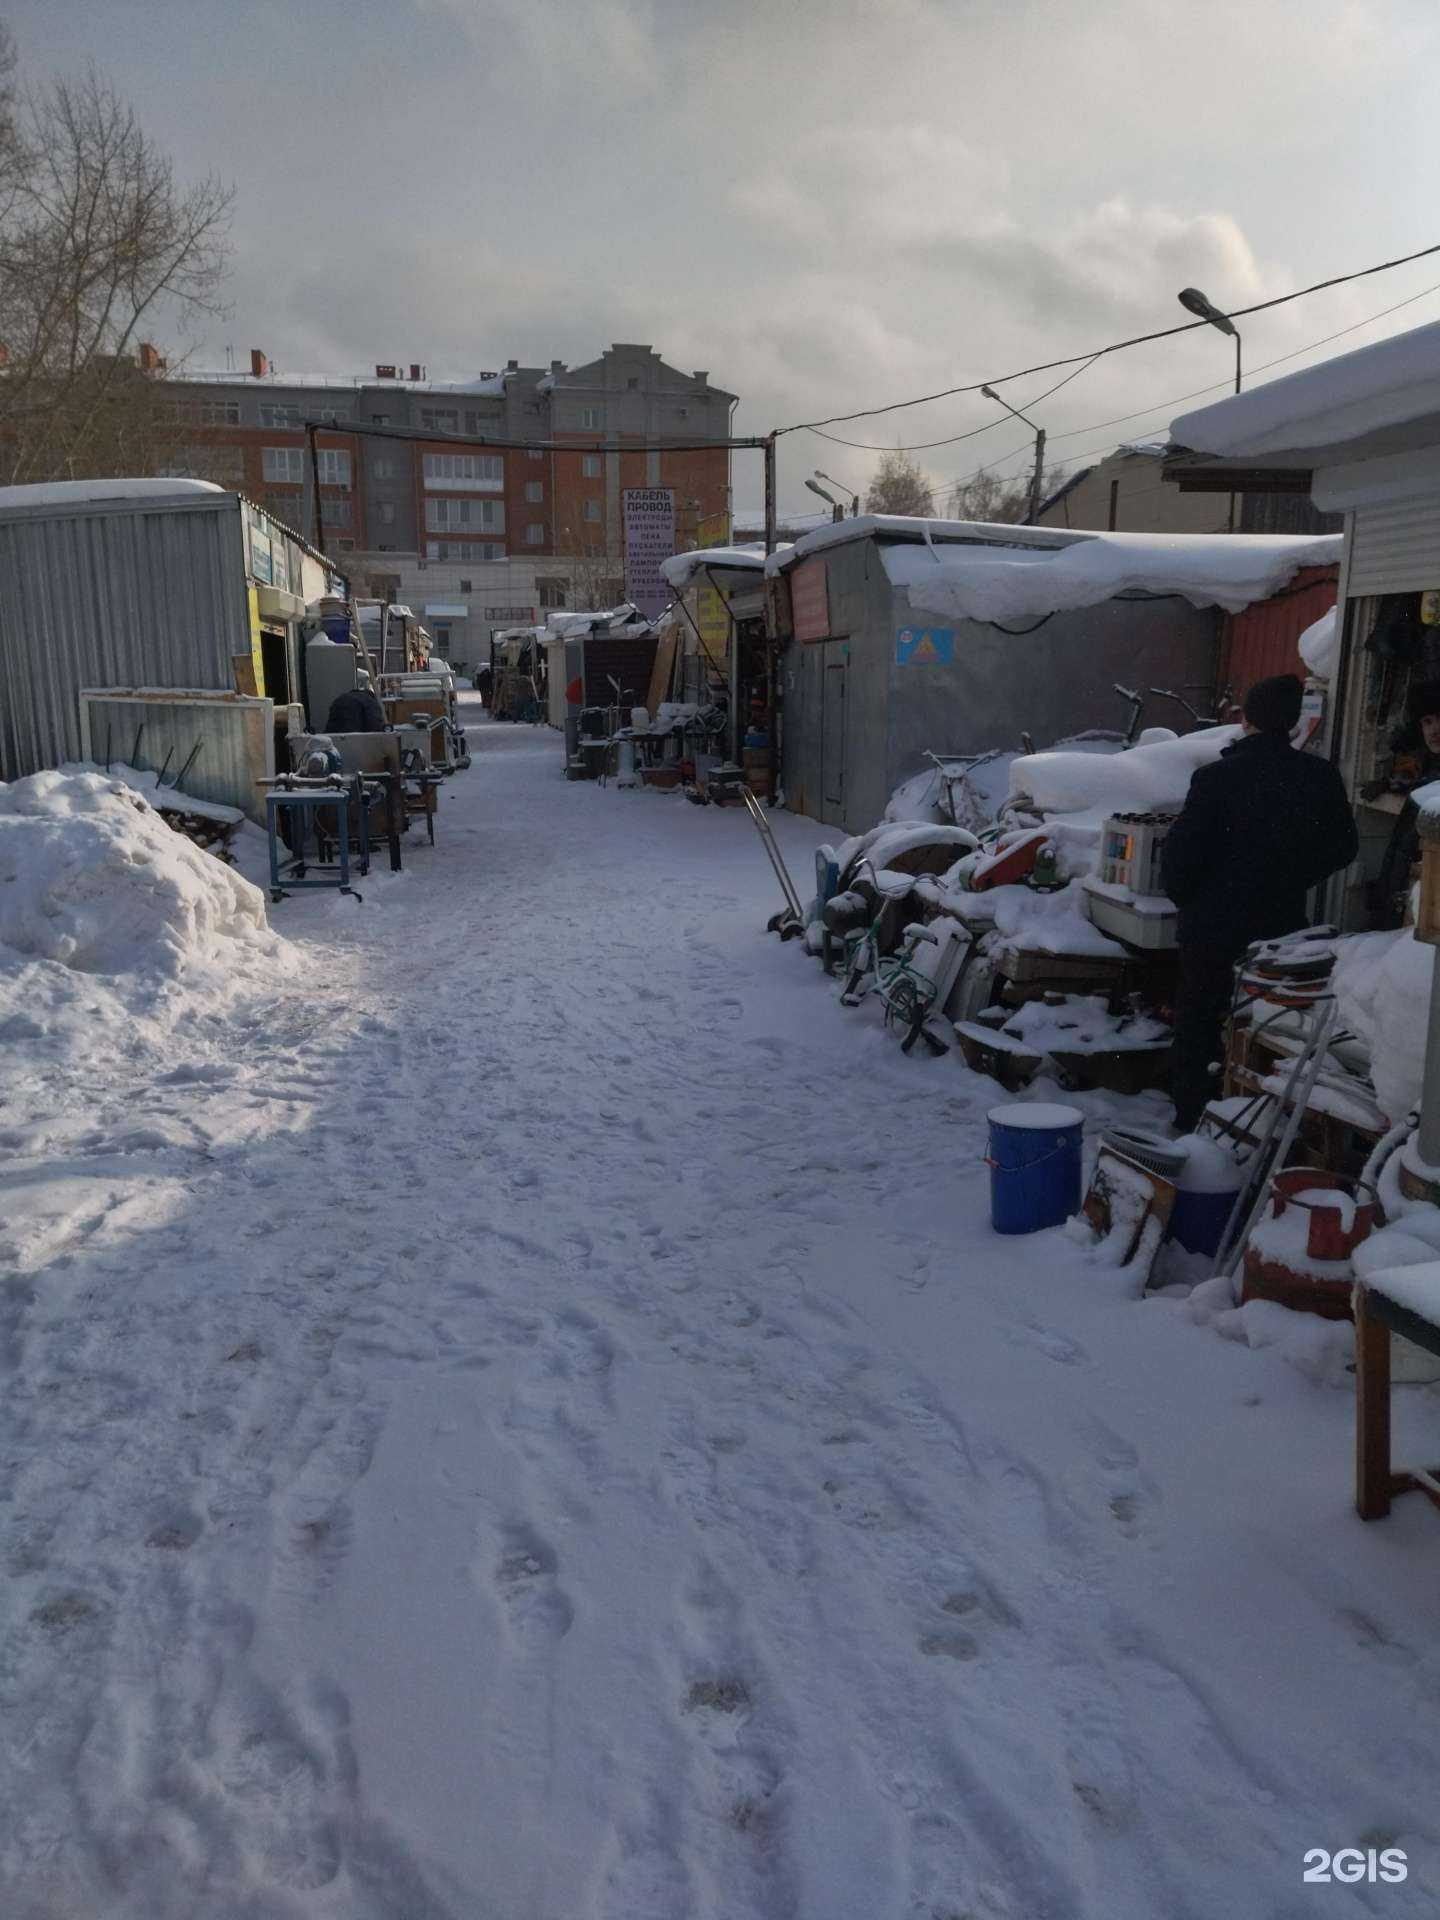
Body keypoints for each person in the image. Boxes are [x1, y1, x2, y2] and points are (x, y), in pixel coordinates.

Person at [1160, 673, 1358, 1132]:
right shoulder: (1317, 777)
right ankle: (1258, 1117)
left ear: (1246, 717)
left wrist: (1192, 896)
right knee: (1270, 1026)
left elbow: (1181, 859)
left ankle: (1193, 1120)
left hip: (1213, 927)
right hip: (1281, 926)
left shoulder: (1215, 778)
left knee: (1201, 1022)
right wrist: (1292, 876)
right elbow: (1343, 847)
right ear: (1290, 724)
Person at [1370, 680, 1440, 924]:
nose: (1434, 730)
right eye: (1427, 722)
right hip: (1409, 902)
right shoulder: (1425, 774)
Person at [325, 670, 387, 734]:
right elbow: (375, 726)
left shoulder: (341, 698)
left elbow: (331, 726)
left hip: (336, 737)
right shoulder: (371, 701)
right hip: (355, 737)